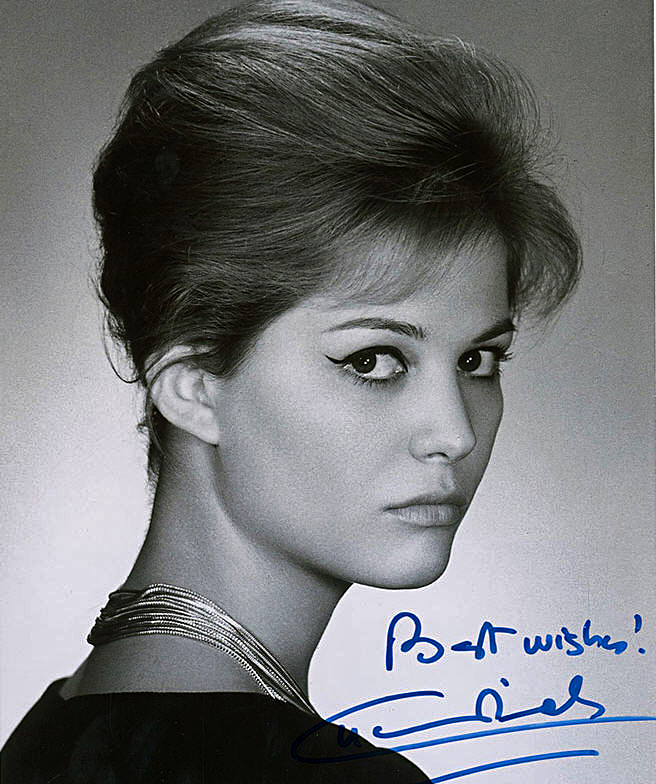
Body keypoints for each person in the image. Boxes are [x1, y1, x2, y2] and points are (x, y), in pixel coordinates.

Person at [1, 0, 581, 780]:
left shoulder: (51, 737)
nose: (455, 433)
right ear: (193, 385)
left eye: (478, 360)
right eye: (373, 360)